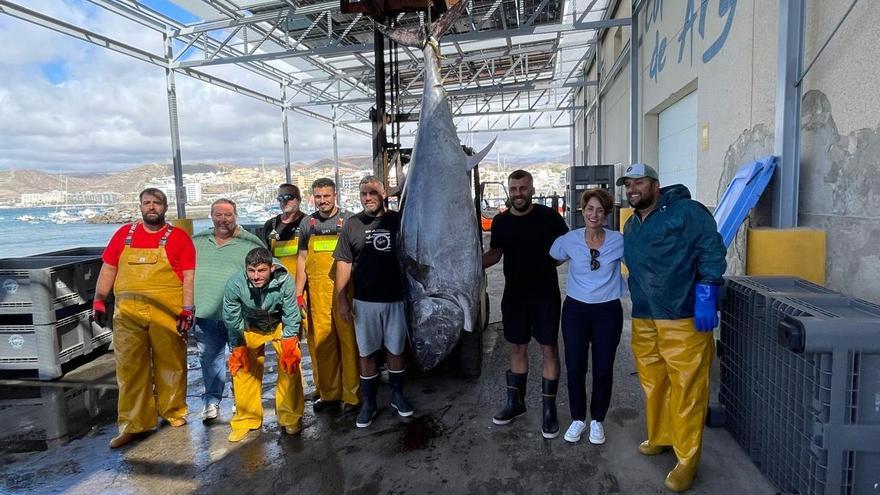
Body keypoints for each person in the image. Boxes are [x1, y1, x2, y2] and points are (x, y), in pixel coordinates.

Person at [619, 163, 726, 492]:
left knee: (688, 389)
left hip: (682, 316)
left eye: (639, 182)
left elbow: (711, 248)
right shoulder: (633, 225)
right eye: (628, 184)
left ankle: (687, 459)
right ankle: (662, 436)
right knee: (655, 383)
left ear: (656, 184)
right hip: (645, 315)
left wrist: (707, 292)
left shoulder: (687, 212)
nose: (632, 188)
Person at [92, 188, 196, 449]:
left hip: (167, 311)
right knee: (129, 369)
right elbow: (109, 268)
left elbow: (189, 277)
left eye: (156, 203)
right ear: (140, 206)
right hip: (127, 314)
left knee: (171, 363)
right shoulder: (123, 235)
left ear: (165, 207)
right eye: (146, 203)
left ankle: (173, 412)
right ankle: (133, 425)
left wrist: (187, 309)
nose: (151, 207)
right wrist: (99, 299)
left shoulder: (179, 238)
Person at [482, 169, 569, 438]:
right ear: (510, 191)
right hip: (514, 296)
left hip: (545, 295)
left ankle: (548, 410)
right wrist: (467, 267)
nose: (518, 193)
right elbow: (495, 254)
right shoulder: (501, 222)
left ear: (531, 189)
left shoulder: (549, 217)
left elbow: (566, 248)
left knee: (548, 349)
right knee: (517, 348)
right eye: (514, 189)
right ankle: (515, 403)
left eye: (523, 188)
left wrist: (552, 263)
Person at [334, 176, 414, 428]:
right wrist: (343, 301)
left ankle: (397, 396)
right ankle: (369, 403)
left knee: (396, 351)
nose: (367, 197)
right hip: (364, 302)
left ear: (384, 195)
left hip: (396, 299)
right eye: (363, 194)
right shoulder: (352, 224)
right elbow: (344, 264)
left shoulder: (400, 220)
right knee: (366, 354)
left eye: (372, 193)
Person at [549, 188, 627, 445]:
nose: (594, 214)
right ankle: (577, 419)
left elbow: (639, 264)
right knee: (575, 366)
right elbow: (551, 260)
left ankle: (597, 421)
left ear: (607, 214)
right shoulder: (569, 240)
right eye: (590, 208)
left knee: (603, 368)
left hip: (607, 311)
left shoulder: (619, 240)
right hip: (576, 311)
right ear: (583, 210)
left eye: (600, 210)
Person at [192, 199, 265, 421]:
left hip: (240, 315)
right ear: (211, 216)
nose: (223, 220)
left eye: (228, 215)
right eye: (218, 215)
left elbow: (265, 272)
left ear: (236, 216)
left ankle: (243, 401)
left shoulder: (250, 242)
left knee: (242, 357)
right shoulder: (198, 241)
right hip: (205, 314)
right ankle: (212, 402)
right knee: (209, 360)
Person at [223, 247, 304, 442]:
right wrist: (238, 346)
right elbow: (231, 317)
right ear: (246, 269)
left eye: (261, 270)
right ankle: (246, 418)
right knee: (242, 368)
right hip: (251, 324)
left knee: (290, 366)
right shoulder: (235, 284)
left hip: (278, 324)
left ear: (271, 268)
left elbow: (292, 314)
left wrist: (290, 343)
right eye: (251, 271)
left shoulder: (285, 281)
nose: (256, 276)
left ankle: (290, 417)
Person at [295, 178, 360, 412]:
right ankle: (329, 393)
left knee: (349, 342)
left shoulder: (350, 220)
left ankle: (352, 394)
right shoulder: (306, 224)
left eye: (327, 196)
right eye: (318, 197)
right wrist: (298, 291)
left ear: (335, 196)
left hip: (345, 290)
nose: (322, 201)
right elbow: (302, 257)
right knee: (323, 343)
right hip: (318, 293)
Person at [263, 183, 306, 268]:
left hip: (301, 277)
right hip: (278, 277)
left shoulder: (307, 223)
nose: (284, 201)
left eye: (288, 197)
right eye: (280, 198)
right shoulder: (270, 225)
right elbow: (265, 255)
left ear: (299, 199)